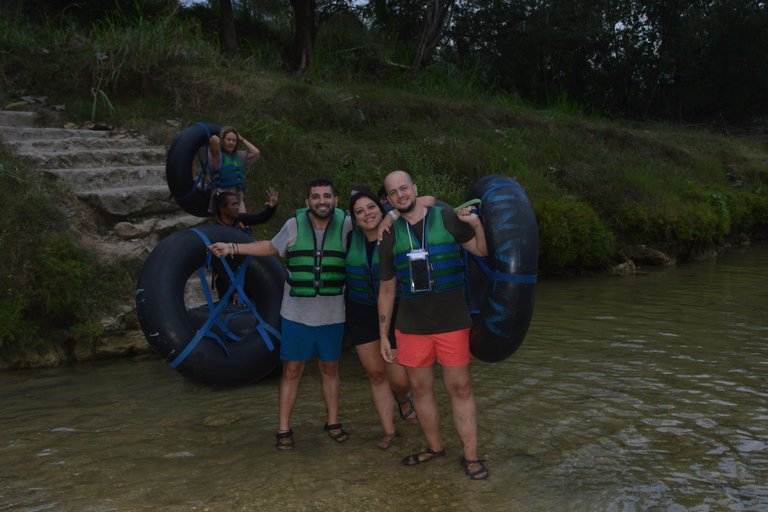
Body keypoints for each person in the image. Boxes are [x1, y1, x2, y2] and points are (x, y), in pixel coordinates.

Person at [209, 179, 353, 450]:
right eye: (316, 197)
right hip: (296, 314)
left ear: (336, 199)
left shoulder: (347, 225)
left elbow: (375, 223)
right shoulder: (293, 224)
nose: (322, 201)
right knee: (292, 370)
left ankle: (333, 421)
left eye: (327, 196)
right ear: (307, 202)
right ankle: (284, 427)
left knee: (330, 369)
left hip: (333, 315)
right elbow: (270, 247)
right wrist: (233, 248)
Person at [377, 170, 490, 480]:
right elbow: (387, 290)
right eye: (393, 192)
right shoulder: (388, 237)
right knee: (420, 389)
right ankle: (435, 448)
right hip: (411, 326)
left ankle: (471, 456)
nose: (401, 194)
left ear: (415, 188)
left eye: (404, 188)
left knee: (461, 388)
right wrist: (384, 335)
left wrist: (476, 224)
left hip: (452, 321)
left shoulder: (447, 217)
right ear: (388, 200)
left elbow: (481, 250)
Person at [345, 190, 417, 451]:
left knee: (399, 379)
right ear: (354, 218)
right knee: (376, 374)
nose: (367, 214)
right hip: (361, 312)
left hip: (396, 310)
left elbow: (429, 201)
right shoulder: (349, 238)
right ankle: (389, 430)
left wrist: (392, 213)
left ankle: (403, 398)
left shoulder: (398, 229)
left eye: (371, 207)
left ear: (381, 207)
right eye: (360, 211)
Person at [209, 189, 279, 303]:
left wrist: (271, 207)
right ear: (222, 208)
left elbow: (261, 218)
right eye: (233, 204)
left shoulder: (239, 220)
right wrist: (234, 290)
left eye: (237, 203)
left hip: (246, 273)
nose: (237, 207)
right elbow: (221, 267)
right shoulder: (216, 232)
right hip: (227, 281)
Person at [208, 126, 260, 213]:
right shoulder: (218, 156)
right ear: (223, 141)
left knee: (244, 224)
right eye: (228, 139)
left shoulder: (239, 155)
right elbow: (214, 140)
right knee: (228, 223)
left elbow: (255, 152)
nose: (231, 142)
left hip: (237, 196)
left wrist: (240, 138)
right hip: (221, 195)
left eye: (234, 140)